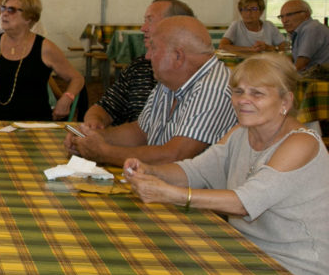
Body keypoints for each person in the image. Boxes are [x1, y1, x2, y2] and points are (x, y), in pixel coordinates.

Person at [124, 53, 329, 275]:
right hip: (247, 254)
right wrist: (150, 171)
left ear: (286, 101)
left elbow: (243, 203)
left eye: (257, 93)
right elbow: (195, 170)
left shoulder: (300, 143)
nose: (244, 100)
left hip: (299, 270)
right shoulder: (241, 133)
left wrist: (170, 194)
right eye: (238, 91)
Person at [67, 16, 236, 166]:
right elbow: (140, 131)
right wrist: (91, 138)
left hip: (198, 195)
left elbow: (174, 156)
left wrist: (104, 153)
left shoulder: (214, 88)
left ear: (178, 56)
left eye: (153, 48)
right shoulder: (172, 80)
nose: (147, 57)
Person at [0, 0, 82, 121]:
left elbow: (77, 78)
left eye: (11, 10)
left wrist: (67, 98)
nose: (4, 14)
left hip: (33, 125)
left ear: (29, 18)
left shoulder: (45, 48)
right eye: (3, 8)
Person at [82, 0, 195, 130]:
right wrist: (94, 122)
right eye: (144, 21)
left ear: (174, 27)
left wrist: (107, 144)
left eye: (150, 21)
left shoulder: (194, 75)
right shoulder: (140, 67)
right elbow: (106, 106)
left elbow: (175, 145)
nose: (143, 28)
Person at [218, 0, 286, 55]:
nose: (248, 13)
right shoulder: (236, 25)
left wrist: (267, 48)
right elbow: (222, 46)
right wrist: (251, 49)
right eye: (244, 9)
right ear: (240, 12)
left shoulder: (269, 26)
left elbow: (284, 47)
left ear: (261, 11)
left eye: (253, 9)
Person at [279, 0, 329, 72]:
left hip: (319, 80)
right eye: (281, 17)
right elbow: (295, 58)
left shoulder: (311, 28)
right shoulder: (301, 30)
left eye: (289, 15)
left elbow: (301, 64)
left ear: (306, 15)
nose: (284, 20)